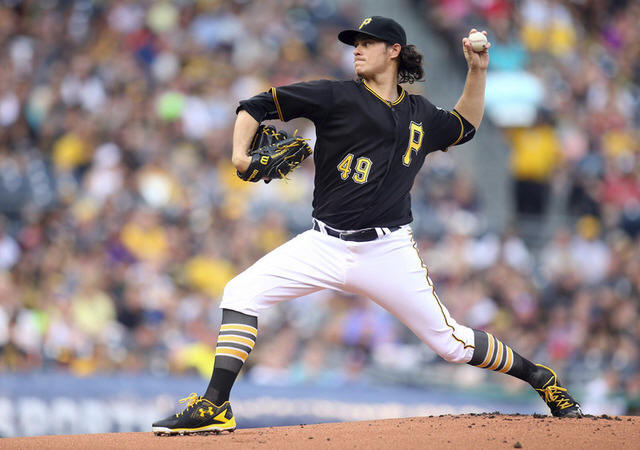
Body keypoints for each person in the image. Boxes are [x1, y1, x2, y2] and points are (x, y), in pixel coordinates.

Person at [152, 16, 582, 435]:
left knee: (452, 345)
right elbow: (256, 105)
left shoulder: (420, 113)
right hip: (323, 244)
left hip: (386, 250)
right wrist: (240, 155)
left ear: (394, 51)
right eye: (355, 43)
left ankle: (540, 377)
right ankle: (216, 404)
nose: (357, 49)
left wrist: (477, 70)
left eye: (367, 42)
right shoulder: (334, 95)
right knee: (241, 292)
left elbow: (464, 125)